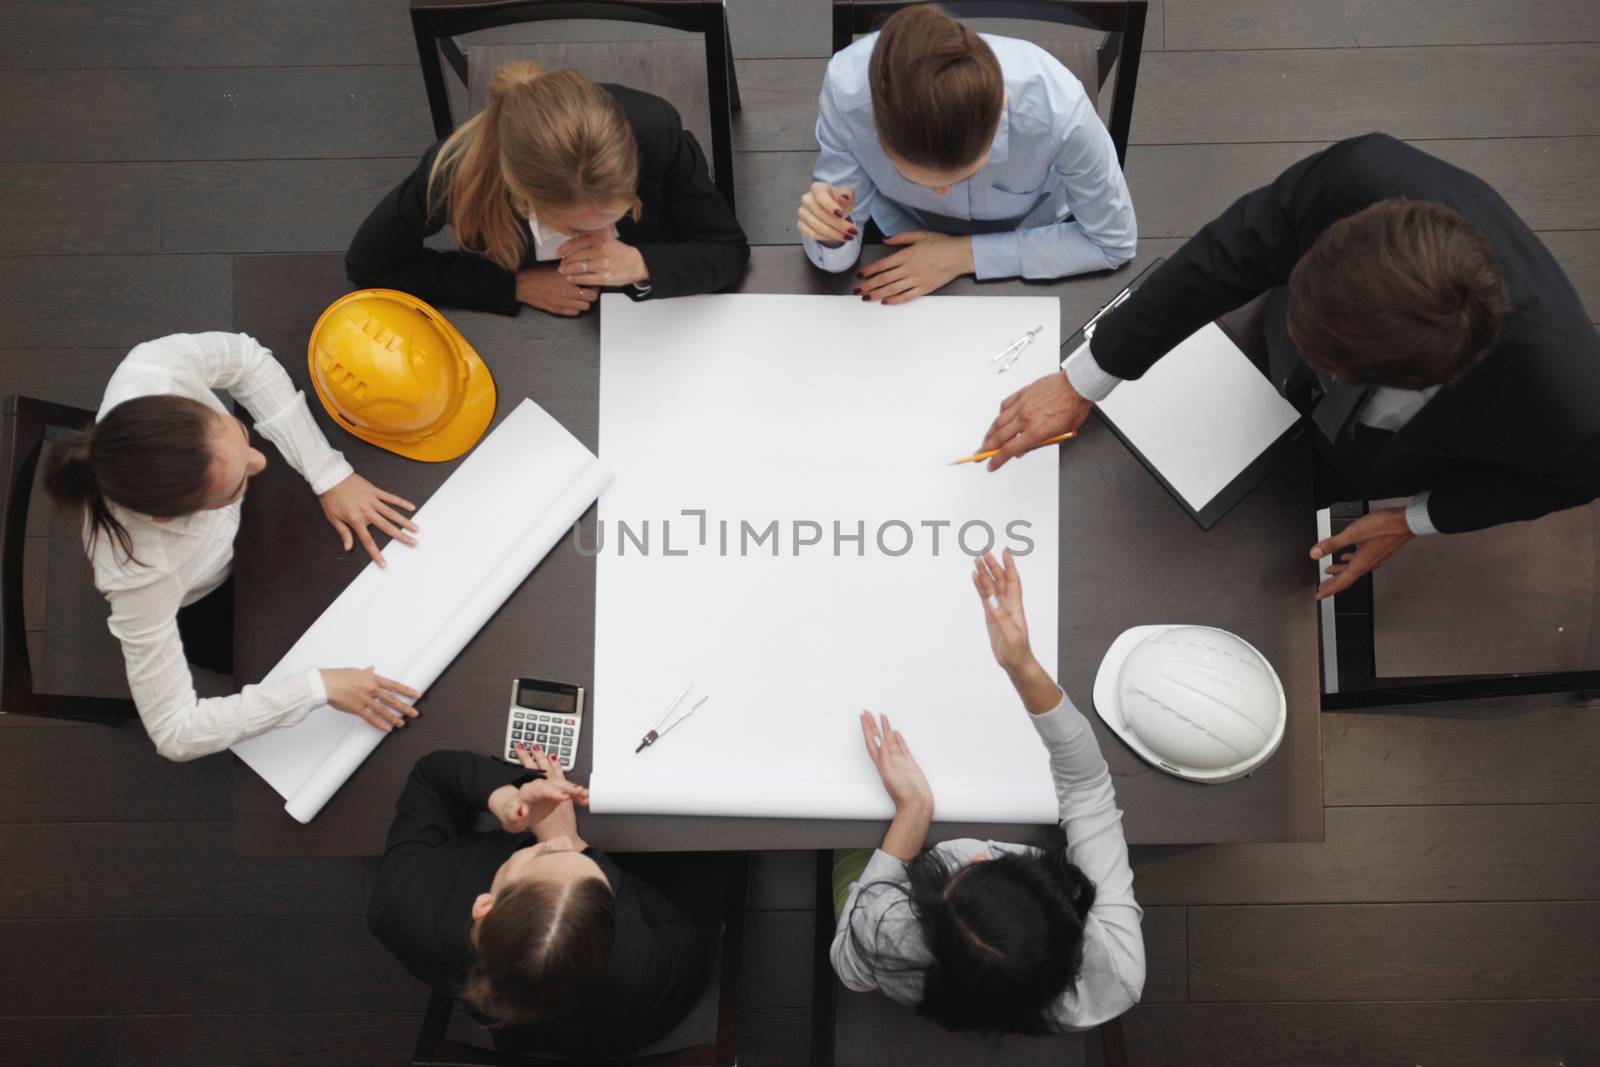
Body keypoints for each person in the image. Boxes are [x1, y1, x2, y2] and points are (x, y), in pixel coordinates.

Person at [977, 133, 1600, 598]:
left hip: (1382, 460)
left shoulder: (1570, 412)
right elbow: (1227, 257)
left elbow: (1563, 483)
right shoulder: (1360, 176)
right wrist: (1082, 378)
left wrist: (1411, 520)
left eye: (1333, 361)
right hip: (1253, 368)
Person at [43, 332, 423, 760]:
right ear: (169, 517)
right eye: (236, 484)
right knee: (288, 649)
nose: (260, 462)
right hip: (207, 598)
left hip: (250, 530)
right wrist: (317, 688)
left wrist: (327, 473)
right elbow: (175, 733)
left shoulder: (154, 368)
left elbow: (247, 361)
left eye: (240, 435)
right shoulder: (139, 575)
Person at [831, 551, 1144, 1034]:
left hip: (899, 874)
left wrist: (913, 811)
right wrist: (1024, 669)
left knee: (839, 815)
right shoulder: (1116, 973)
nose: (975, 858)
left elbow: (850, 969)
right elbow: (1086, 787)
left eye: (962, 877)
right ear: (1067, 914)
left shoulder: (888, 930)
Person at [368, 745, 709, 1058]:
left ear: (485, 905)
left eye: (548, 851)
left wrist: (506, 798)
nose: (555, 842)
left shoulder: (398, 904)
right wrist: (574, 839)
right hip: (621, 1028)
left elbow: (430, 775)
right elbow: (688, 940)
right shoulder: (641, 968)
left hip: (529, 1039)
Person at [346, 63, 749, 318]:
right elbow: (369, 264)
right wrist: (515, 285)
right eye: (576, 228)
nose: (602, 237)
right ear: (522, 196)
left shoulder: (656, 131)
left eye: (619, 212)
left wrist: (641, 263)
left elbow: (726, 249)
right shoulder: (454, 174)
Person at [796, 4, 1136, 305]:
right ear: (877, 129)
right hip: (900, 231)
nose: (941, 197)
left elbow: (1112, 242)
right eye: (913, 177)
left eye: (964, 172)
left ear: (1001, 106)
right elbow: (836, 258)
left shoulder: (1060, 113)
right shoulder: (848, 94)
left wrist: (964, 255)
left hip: (1032, 229)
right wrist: (829, 233)